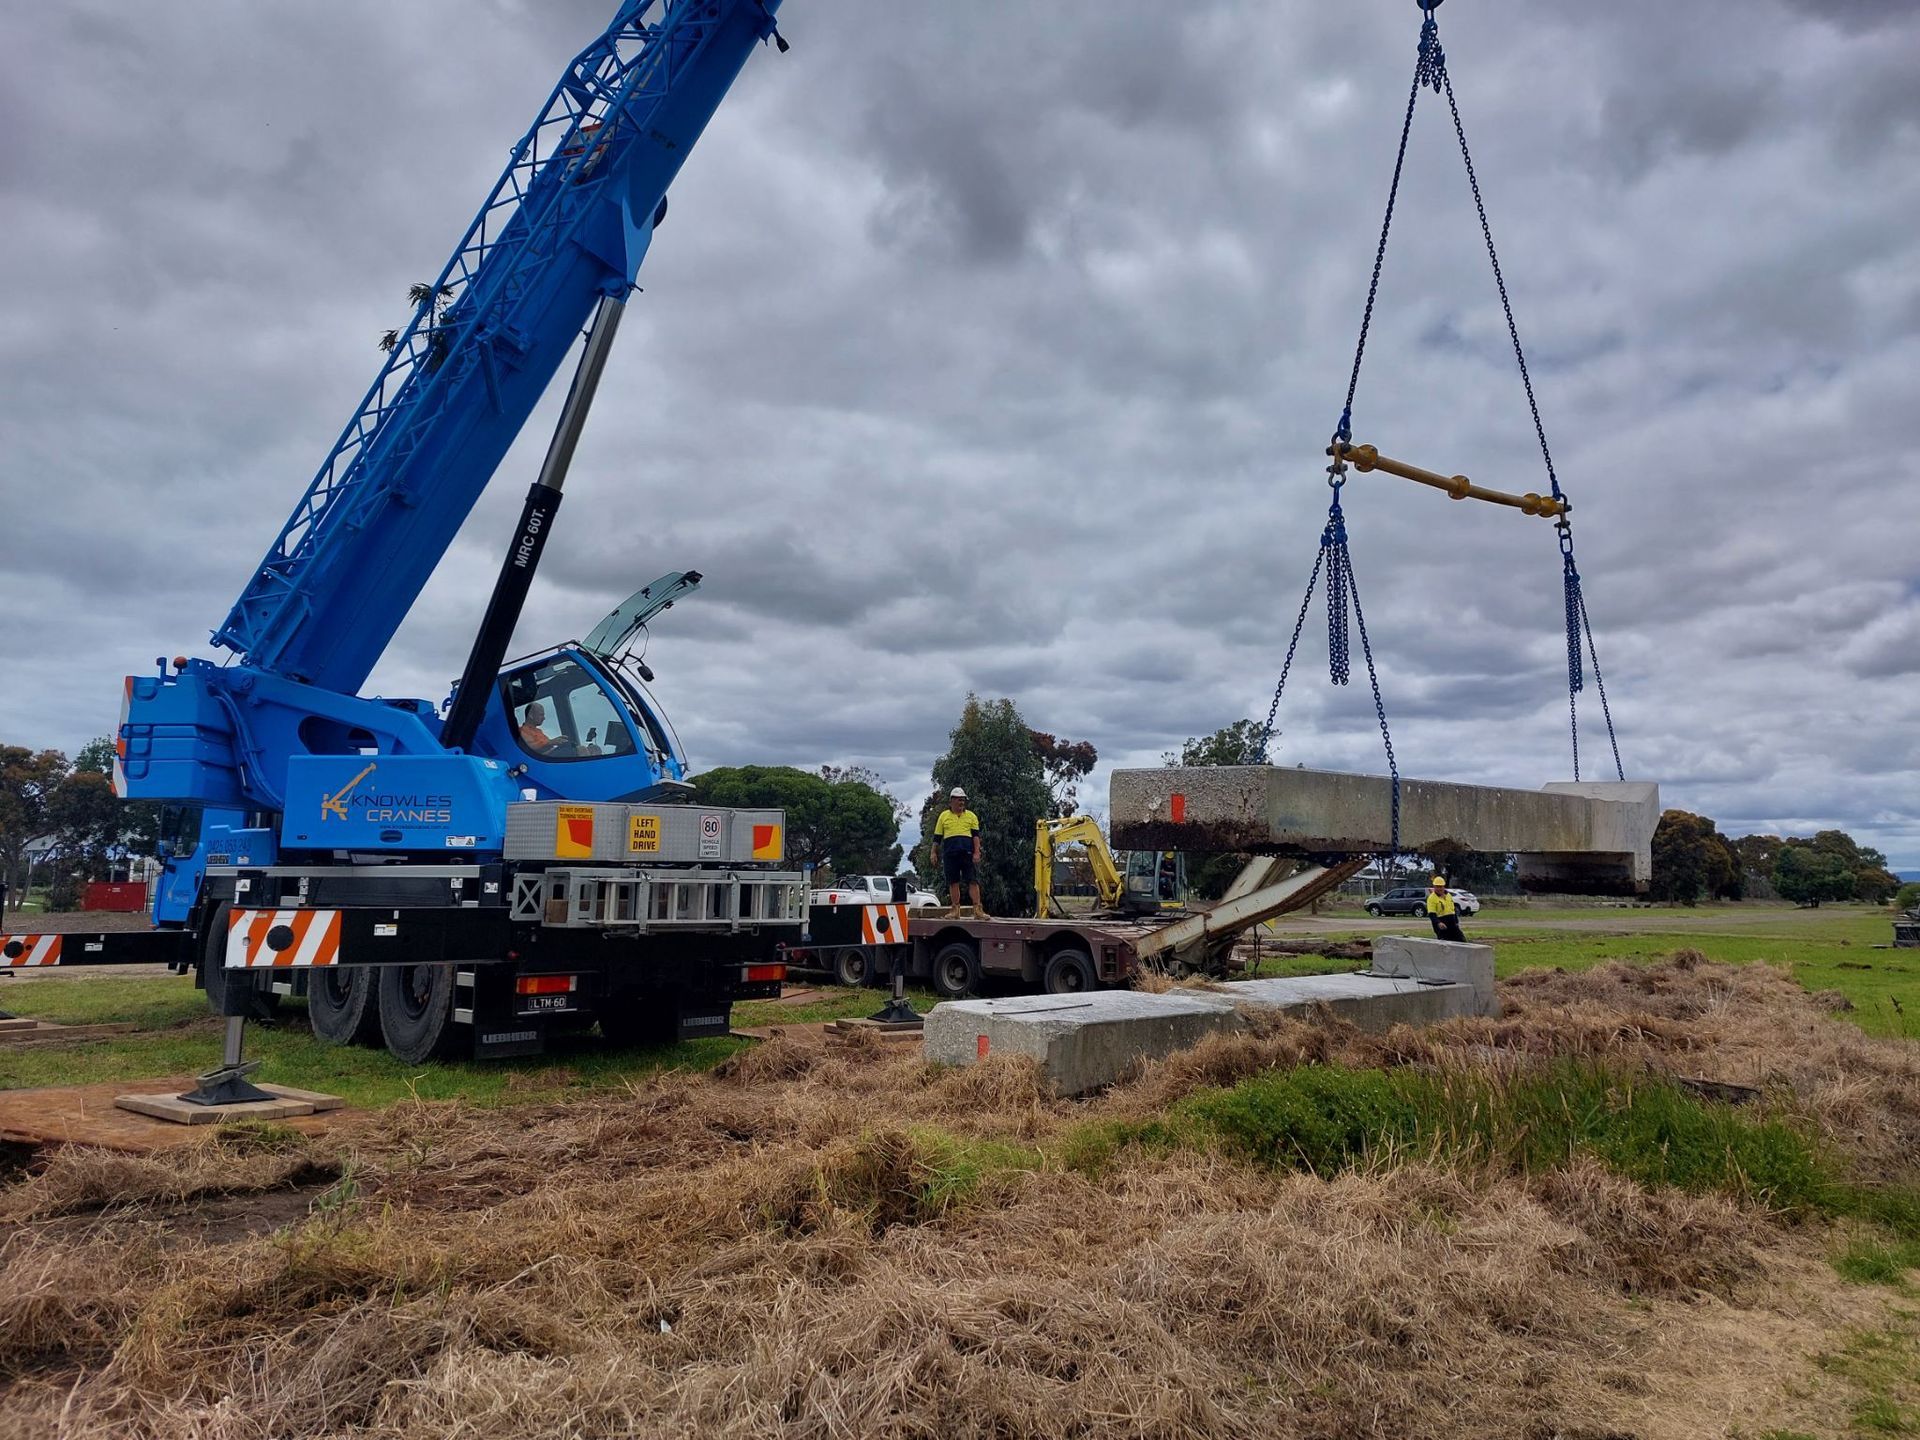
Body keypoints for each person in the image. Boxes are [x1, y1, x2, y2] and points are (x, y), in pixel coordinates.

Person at [932, 786, 985, 917]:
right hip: (950, 854)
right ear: (951, 801)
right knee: (953, 881)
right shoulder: (943, 816)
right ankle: (955, 909)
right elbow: (937, 837)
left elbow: (976, 836)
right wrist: (933, 852)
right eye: (958, 800)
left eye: (963, 800)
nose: (961, 802)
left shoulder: (971, 816)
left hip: (967, 853)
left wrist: (977, 852)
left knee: (973, 880)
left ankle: (978, 909)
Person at [1425, 874, 1466, 942]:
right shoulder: (1431, 898)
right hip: (1441, 924)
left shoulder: (1448, 895)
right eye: (1437, 887)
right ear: (1434, 887)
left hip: (1452, 923)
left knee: (1461, 941)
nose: (1439, 889)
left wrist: (1456, 921)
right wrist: (1439, 923)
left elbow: (1452, 910)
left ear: (1444, 887)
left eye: (1440, 886)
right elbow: (1432, 914)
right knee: (1445, 943)